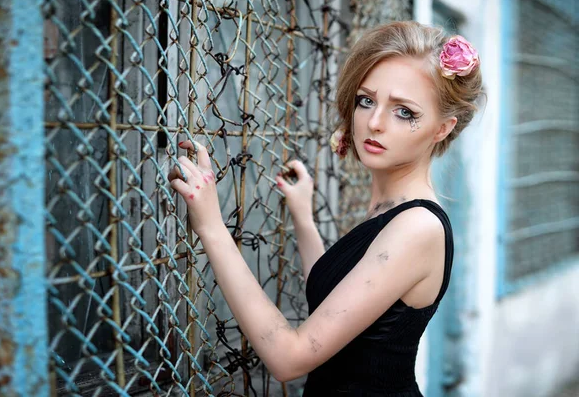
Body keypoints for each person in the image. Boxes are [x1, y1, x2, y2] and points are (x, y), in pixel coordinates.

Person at [168, 20, 484, 396]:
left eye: (404, 112)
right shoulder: (393, 211)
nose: (375, 122)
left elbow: (290, 357)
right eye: (366, 100)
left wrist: (212, 228)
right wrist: (304, 219)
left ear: (442, 128)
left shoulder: (417, 227)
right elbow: (337, 303)